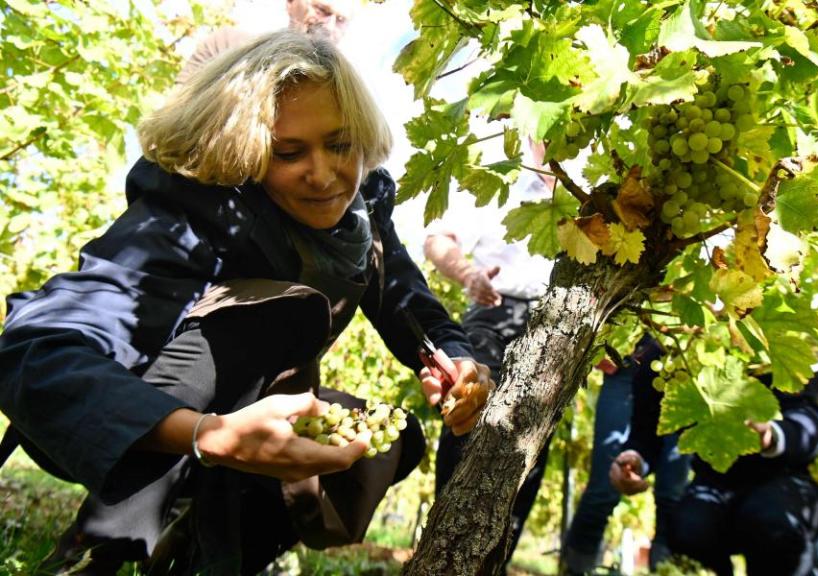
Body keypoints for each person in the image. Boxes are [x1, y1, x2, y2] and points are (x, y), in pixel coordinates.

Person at [0, 30, 490, 575]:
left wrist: (453, 359)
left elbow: (405, 296)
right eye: (289, 152)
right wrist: (210, 435)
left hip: (257, 419)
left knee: (393, 442)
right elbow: (36, 352)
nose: (325, 173)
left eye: (341, 144)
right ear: (248, 151)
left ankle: (201, 557)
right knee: (255, 325)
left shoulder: (364, 207)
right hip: (146, 416)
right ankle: (102, 551)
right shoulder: (194, 208)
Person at [422, 141, 555, 561]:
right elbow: (437, 238)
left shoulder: (593, 179)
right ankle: (443, 554)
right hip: (493, 310)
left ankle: (495, 561)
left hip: (557, 326)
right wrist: (468, 274)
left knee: (533, 443)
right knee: (471, 418)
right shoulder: (499, 171)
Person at [610, 335, 818, 576]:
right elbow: (646, 431)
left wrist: (773, 436)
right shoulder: (666, 353)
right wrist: (635, 460)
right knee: (688, 529)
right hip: (714, 479)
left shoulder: (770, 340)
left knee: (771, 522)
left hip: (787, 477)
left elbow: (813, 420)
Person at [560, 354, 691, 575]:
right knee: (604, 486)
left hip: (683, 371)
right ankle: (573, 570)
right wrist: (601, 346)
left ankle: (666, 570)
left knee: (671, 495)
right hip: (627, 366)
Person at [178, 0, 357, 83]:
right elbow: (175, 113)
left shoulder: (341, 89)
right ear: (291, 3)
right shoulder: (227, 44)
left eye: (340, 20)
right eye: (322, 10)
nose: (329, 25)